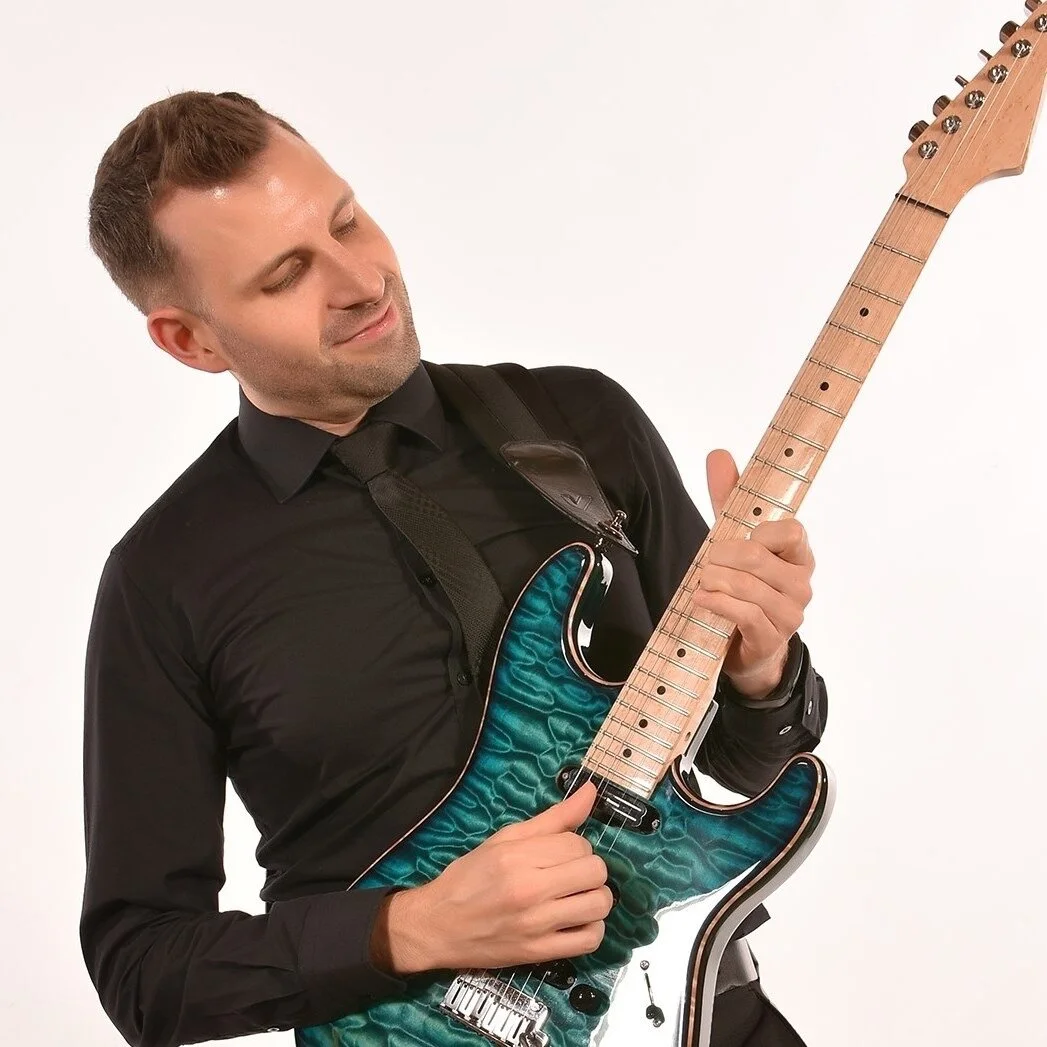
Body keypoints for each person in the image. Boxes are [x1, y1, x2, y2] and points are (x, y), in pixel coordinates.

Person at [80, 90, 827, 1047]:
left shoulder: (580, 425)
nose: (361, 280)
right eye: (285, 275)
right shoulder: (162, 578)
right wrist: (408, 928)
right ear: (191, 339)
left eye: (348, 219)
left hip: (697, 1012)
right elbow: (142, 970)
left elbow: (723, 774)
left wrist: (759, 667)